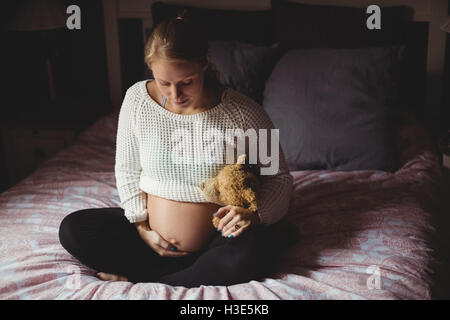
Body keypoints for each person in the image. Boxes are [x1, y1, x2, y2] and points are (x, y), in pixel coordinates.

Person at [58, 10, 296, 288]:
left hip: (217, 243)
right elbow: (126, 167)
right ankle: (182, 275)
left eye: (186, 82)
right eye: (164, 83)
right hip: (149, 241)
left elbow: (279, 179)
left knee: (248, 254)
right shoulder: (137, 100)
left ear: (204, 64)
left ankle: (145, 279)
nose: (175, 95)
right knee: (74, 229)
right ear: (151, 69)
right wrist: (141, 227)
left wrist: (254, 215)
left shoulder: (244, 114)